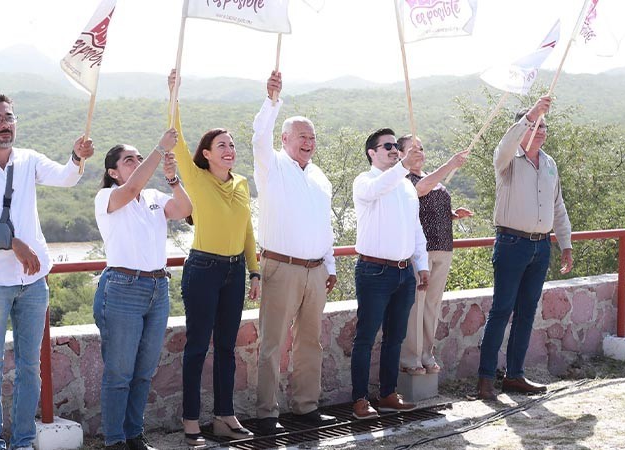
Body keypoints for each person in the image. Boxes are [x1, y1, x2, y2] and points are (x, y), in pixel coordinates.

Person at [0, 94, 94, 450]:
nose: (5, 123)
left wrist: (77, 157)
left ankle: (24, 441)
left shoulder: (28, 160)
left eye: (9, 117)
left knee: (31, 368)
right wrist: (12, 242)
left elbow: (65, 178)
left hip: (33, 282)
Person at [168, 71, 259, 445]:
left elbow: (247, 229)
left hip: (236, 271)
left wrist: (255, 272)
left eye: (232, 144)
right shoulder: (196, 176)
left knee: (226, 346)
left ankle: (225, 416)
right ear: (207, 154)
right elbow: (176, 139)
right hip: (203, 269)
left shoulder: (241, 183)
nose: (229, 149)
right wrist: (173, 94)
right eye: (221, 145)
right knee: (196, 345)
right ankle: (191, 421)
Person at [92, 130, 192, 450]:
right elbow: (133, 184)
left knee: (144, 372)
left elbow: (186, 210)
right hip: (122, 288)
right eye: (128, 159)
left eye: (138, 157)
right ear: (112, 172)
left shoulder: (153, 198)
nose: (135, 162)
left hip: (157, 287)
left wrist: (173, 179)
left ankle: (134, 435)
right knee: (119, 373)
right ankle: (115, 440)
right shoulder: (107, 197)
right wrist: (159, 148)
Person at [252, 71, 338, 434]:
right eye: (302, 136)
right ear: (285, 138)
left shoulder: (320, 177)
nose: (309, 142)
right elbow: (258, 136)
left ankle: (305, 407)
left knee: (309, 341)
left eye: (313, 137)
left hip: (316, 271)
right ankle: (265, 413)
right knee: (272, 342)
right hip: (280, 268)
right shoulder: (270, 166)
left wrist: (330, 265)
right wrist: (272, 101)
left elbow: (325, 225)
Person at [476, 95, 573, 400]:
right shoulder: (507, 160)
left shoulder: (549, 163)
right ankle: (486, 379)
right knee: (502, 309)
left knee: (527, 312)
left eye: (545, 125)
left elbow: (558, 206)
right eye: (536, 124)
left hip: (541, 247)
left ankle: (515, 375)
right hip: (511, 243)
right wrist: (532, 113)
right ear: (523, 128)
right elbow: (506, 143)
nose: (542, 129)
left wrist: (565, 243)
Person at [349, 128, 430, 420]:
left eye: (396, 146)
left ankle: (387, 394)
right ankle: (359, 399)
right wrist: (403, 167)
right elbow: (377, 189)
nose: (395, 150)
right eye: (388, 146)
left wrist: (422, 265)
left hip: (403, 271)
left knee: (395, 337)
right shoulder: (365, 181)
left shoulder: (406, 186)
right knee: (366, 337)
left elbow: (416, 228)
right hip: (374, 270)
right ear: (372, 153)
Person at [397, 137, 473, 376]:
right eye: (412, 148)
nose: (419, 151)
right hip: (421, 251)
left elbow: (429, 202)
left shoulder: (430, 177)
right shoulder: (403, 179)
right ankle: (411, 357)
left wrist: (451, 214)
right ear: (400, 154)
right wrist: (450, 164)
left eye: (421, 147)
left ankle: (426, 354)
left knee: (432, 305)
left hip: (443, 246)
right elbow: (420, 191)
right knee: (417, 305)